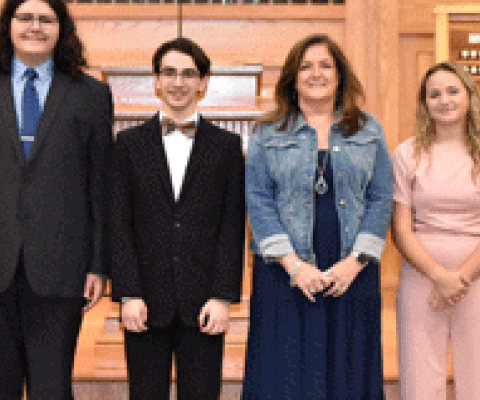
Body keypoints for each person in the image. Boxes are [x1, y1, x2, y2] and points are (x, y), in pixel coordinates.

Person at [243, 33, 393, 400]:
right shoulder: (267, 131)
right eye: (306, 66)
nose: (316, 73)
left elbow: (381, 196)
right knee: (286, 375)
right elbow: (258, 200)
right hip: (283, 271)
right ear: (293, 77)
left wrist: (355, 263)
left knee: (347, 371)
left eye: (326, 65)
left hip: (351, 270)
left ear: (340, 75)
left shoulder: (368, 127)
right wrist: (294, 266)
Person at [109, 37, 245, 400]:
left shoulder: (227, 147)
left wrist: (222, 296)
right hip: (144, 301)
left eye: (189, 74)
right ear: (155, 80)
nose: (178, 82)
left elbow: (231, 228)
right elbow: (118, 224)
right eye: (169, 72)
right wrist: (127, 293)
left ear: (203, 83)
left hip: (204, 303)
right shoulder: (127, 145)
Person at [0, 0, 112, 399]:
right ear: (8, 25)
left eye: (46, 19)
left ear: (61, 28)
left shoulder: (91, 94)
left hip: (61, 269)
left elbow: (100, 185)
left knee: (52, 389)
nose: (35, 26)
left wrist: (99, 265)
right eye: (25, 17)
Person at [392, 61, 480, 400]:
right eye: (435, 94)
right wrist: (438, 275)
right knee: (419, 378)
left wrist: (460, 277)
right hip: (421, 277)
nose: (444, 100)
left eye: (453, 91)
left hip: (475, 277)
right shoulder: (407, 153)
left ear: (469, 96)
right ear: (424, 104)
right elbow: (401, 229)